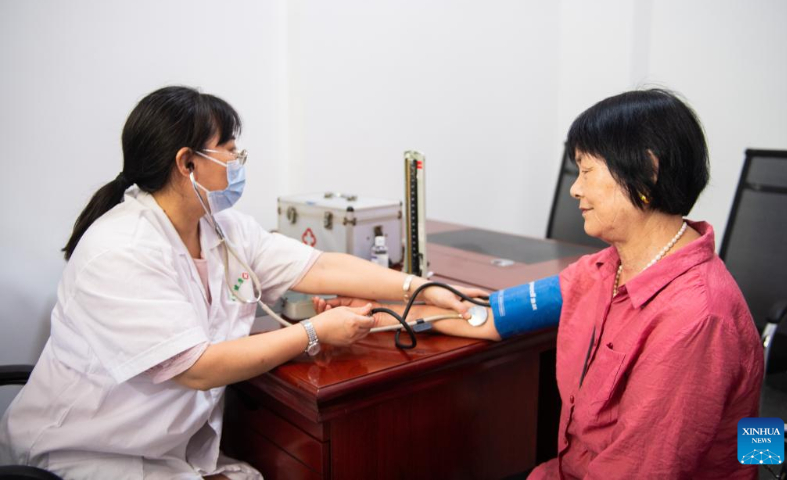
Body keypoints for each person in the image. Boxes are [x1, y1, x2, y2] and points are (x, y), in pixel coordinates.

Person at [0, 86, 483, 479]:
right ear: (187, 163)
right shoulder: (121, 249)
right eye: (231, 150)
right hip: (90, 454)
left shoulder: (220, 228)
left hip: (163, 446)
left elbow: (316, 266)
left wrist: (419, 288)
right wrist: (314, 332)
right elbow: (196, 368)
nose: (238, 162)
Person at [315, 89, 764, 479]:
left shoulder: (695, 319)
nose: (575, 189)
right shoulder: (603, 271)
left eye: (587, 171)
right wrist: (382, 311)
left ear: (646, 172)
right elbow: (488, 316)